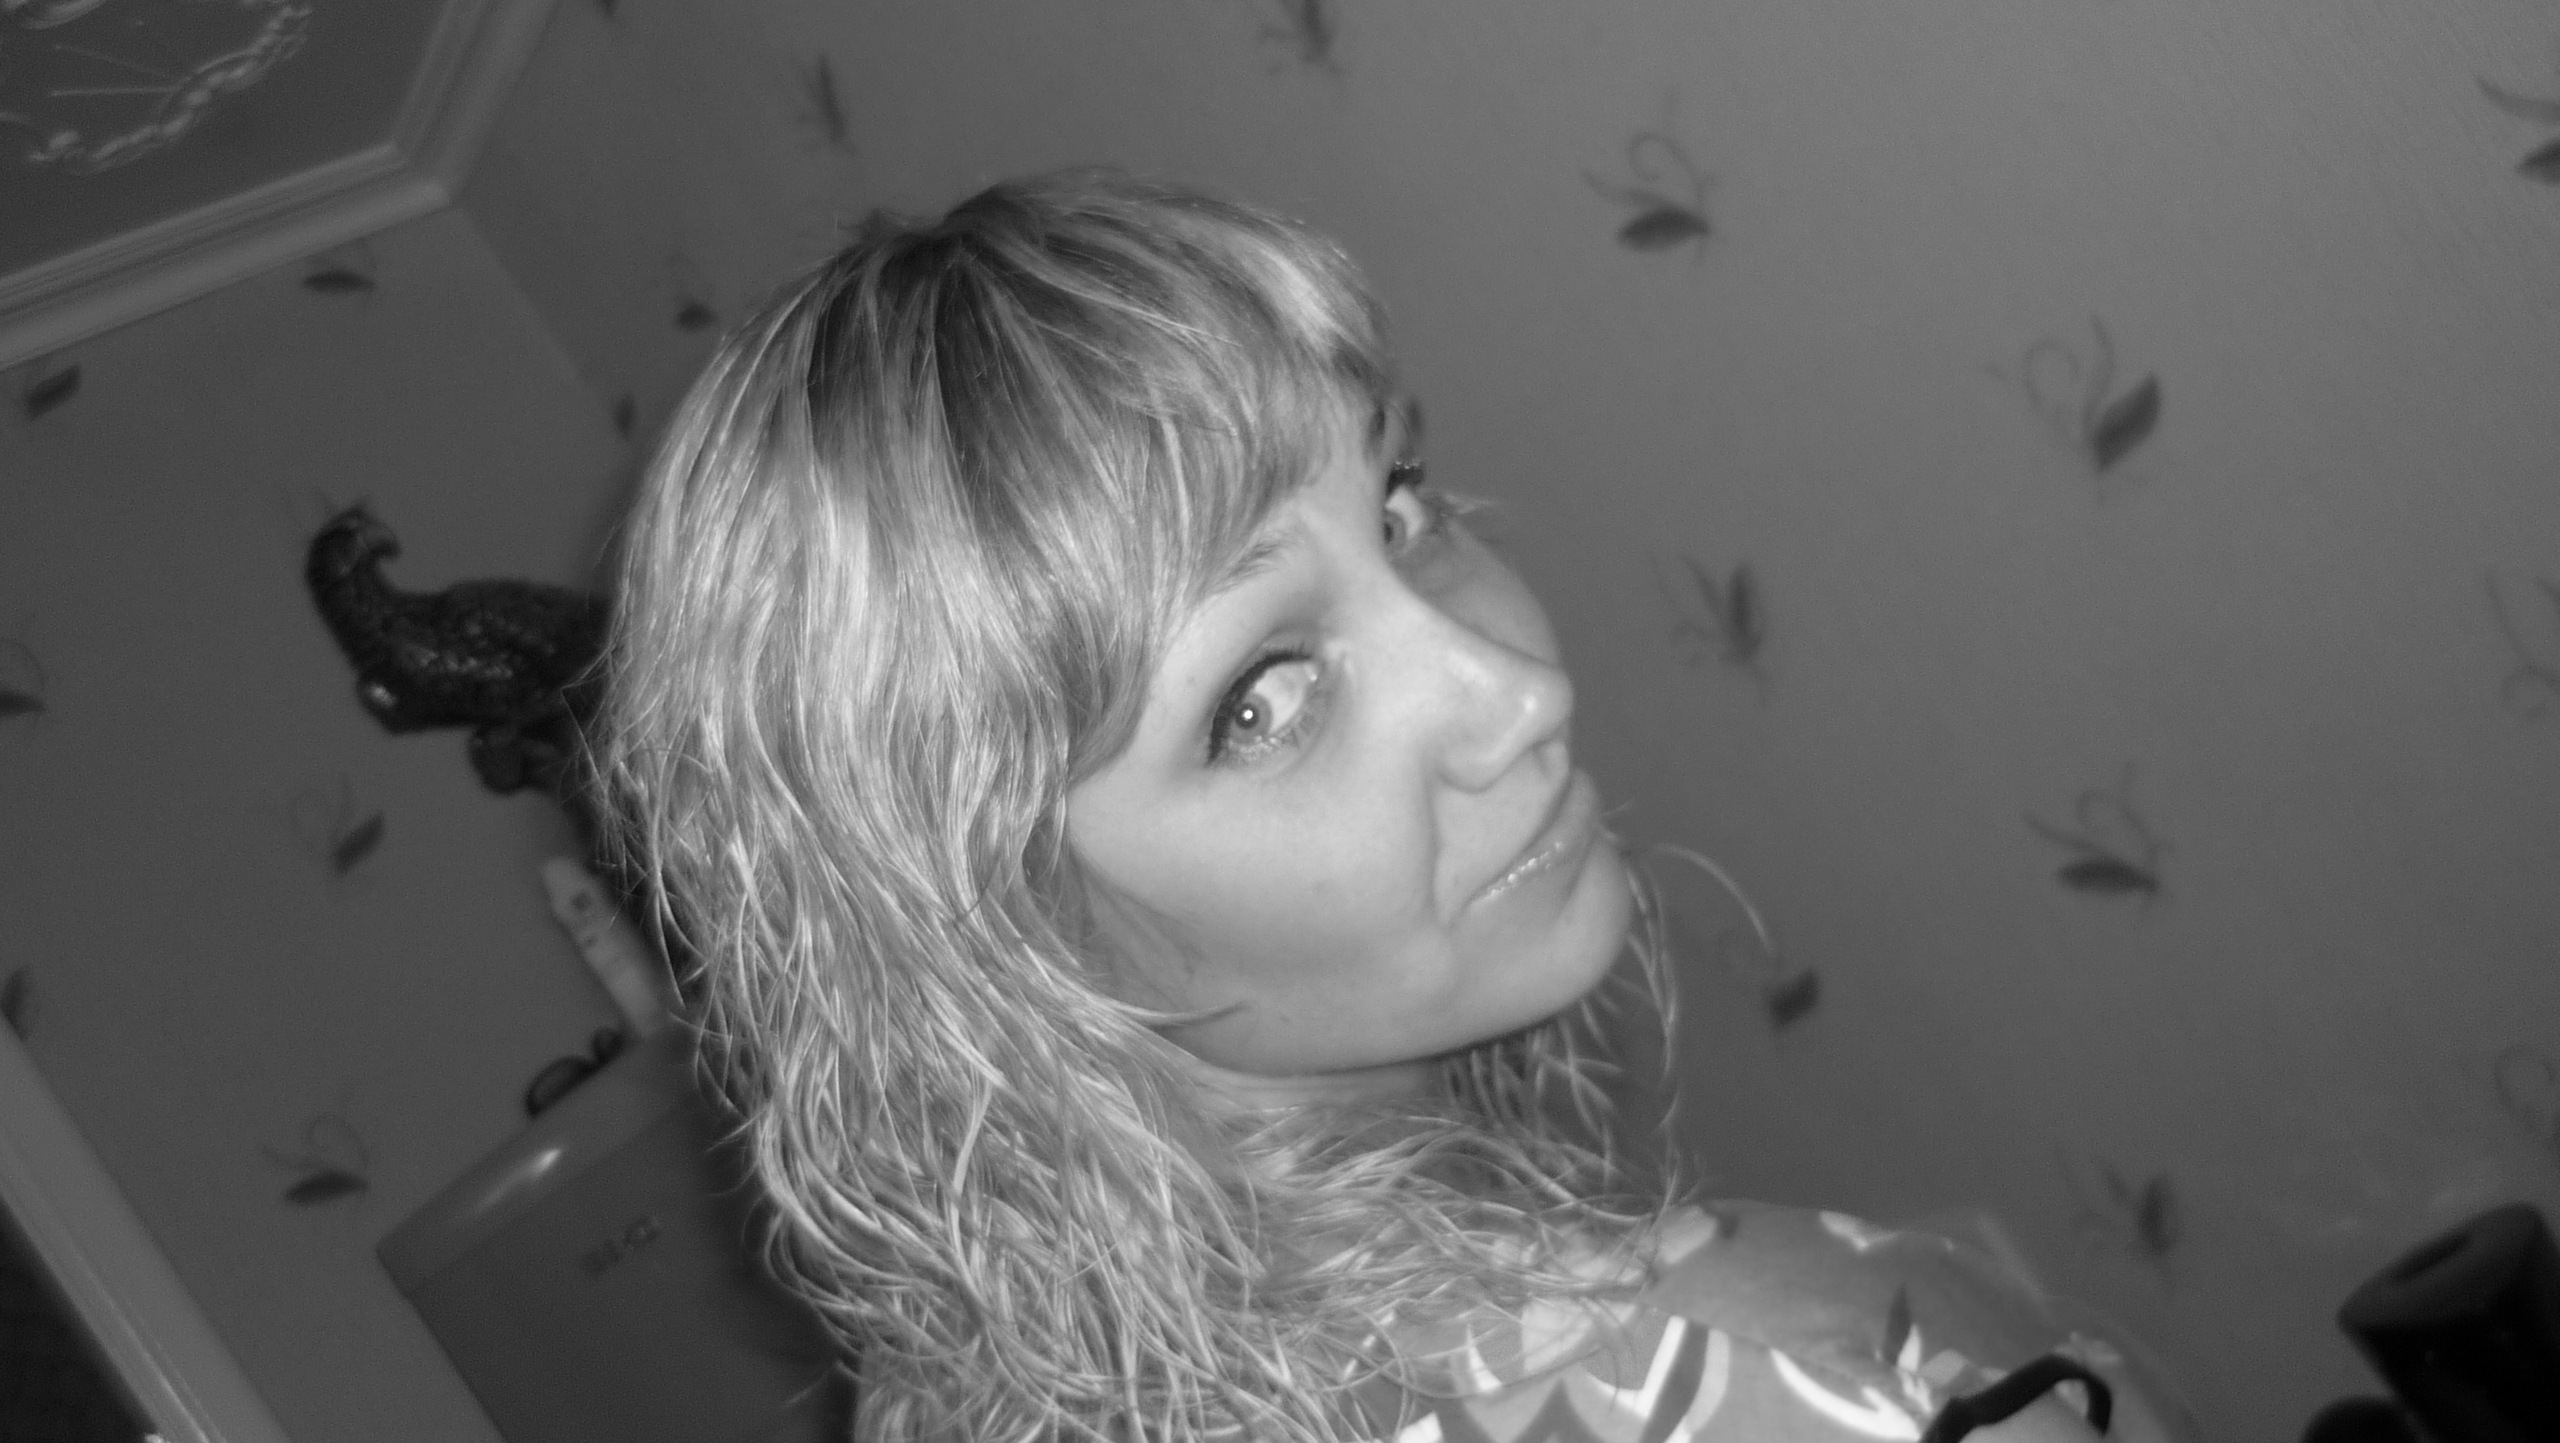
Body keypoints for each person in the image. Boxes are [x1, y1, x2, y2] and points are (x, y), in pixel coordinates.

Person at [592, 170, 2187, 1443]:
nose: (1517, 693)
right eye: (1260, 700)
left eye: (1403, 509)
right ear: (995, 952)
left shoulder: (955, 1380)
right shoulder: (1773, 1384)